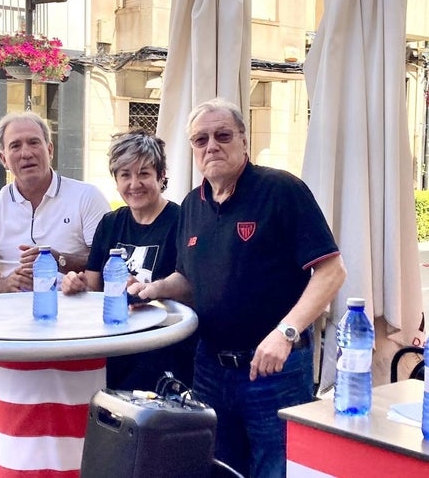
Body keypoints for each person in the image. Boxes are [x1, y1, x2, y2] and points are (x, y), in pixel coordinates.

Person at [129, 98, 347, 478]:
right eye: (200, 139)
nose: (211, 145)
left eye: (222, 135)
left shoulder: (281, 190)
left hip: (273, 370)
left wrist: (285, 332)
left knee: (275, 468)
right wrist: (155, 289)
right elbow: (189, 279)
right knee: (219, 468)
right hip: (211, 367)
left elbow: (332, 271)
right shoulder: (191, 206)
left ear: (244, 141)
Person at [0, 111, 110, 418]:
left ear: (49, 149)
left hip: (76, 319)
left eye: (33, 142)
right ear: (3, 157)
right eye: (15, 146)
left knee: (91, 386)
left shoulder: (86, 197)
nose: (25, 153)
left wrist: (59, 259)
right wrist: (5, 284)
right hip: (10, 324)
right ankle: (15, 433)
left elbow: (107, 263)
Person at [61, 128, 196, 390]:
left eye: (144, 173)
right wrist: (75, 285)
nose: (134, 184)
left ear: (161, 176)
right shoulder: (110, 223)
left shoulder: (182, 221)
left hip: (163, 349)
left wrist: (150, 290)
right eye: (125, 175)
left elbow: (192, 289)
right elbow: (93, 286)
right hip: (114, 345)